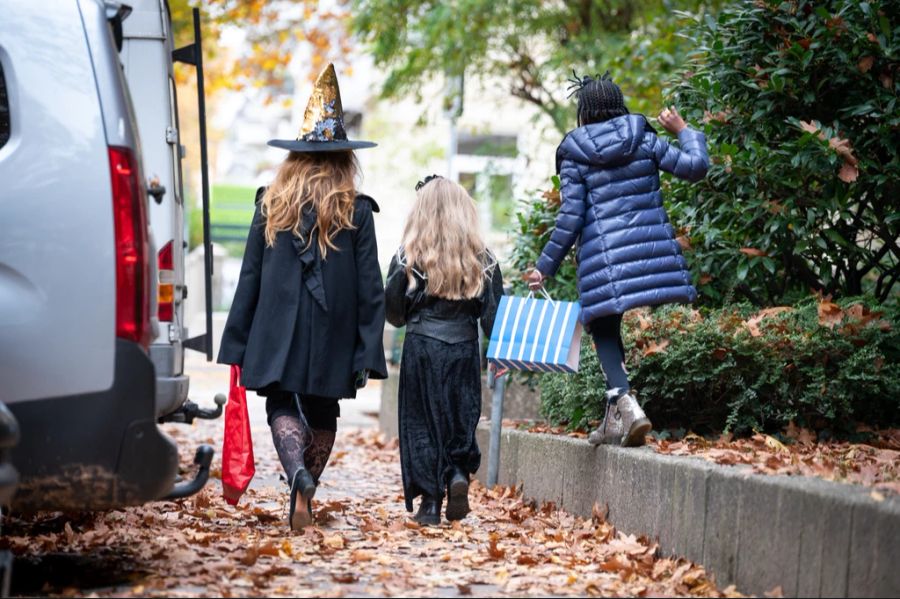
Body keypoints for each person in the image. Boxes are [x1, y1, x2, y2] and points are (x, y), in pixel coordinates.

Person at [218, 64, 387, 530]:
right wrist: (367, 347)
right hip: (333, 325)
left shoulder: (270, 202)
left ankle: (296, 474)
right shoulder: (355, 209)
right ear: (343, 158)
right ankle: (304, 487)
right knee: (322, 408)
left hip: (278, 324)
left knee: (280, 402)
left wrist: (237, 340)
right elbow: (371, 284)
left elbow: (250, 276)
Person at [528, 72, 709, 448]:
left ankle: (626, 401)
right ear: (618, 103)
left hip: (603, 260)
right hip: (649, 255)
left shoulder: (575, 153)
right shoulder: (644, 139)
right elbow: (696, 167)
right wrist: (683, 129)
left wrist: (544, 267)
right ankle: (615, 420)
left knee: (604, 327)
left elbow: (570, 218)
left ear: (584, 111)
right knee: (604, 326)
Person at [385, 176, 504, 525]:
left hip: (422, 346)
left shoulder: (408, 255)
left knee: (422, 422)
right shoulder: (483, 258)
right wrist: (495, 354)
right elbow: (494, 317)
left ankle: (430, 505)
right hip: (464, 347)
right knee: (459, 418)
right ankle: (456, 473)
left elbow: (393, 314)